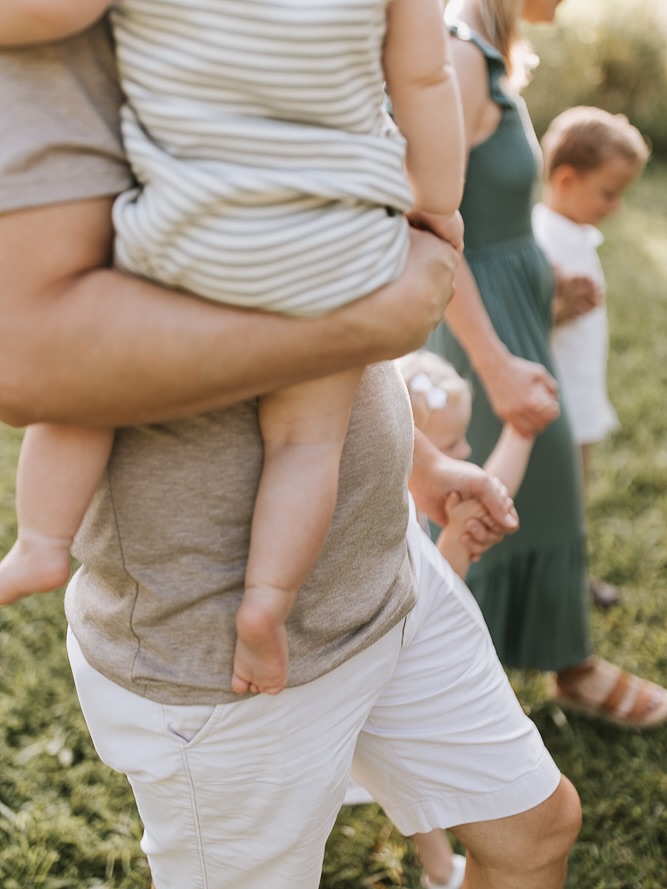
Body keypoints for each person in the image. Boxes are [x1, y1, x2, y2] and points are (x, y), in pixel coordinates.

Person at [0, 16, 584, 889]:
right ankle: (237, 597)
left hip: (384, 570)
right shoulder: (47, 55)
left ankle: (39, 545)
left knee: (535, 830)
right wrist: (381, 290)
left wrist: (416, 460)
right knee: (297, 437)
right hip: (206, 647)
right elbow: (33, 361)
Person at [0, 0, 466, 697]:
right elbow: (426, 80)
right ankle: (266, 601)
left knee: (87, 394)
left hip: (193, 231)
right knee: (306, 445)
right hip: (340, 250)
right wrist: (439, 204)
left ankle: (39, 544)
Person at [427, 0, 667, 728]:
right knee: (500, 495)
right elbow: (429, 222)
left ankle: (566, 662)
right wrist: (493, 362)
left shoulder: (487, 52)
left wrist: (547, 290)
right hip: (480, 326)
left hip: (517, 309)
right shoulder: (459, 51)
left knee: (541, 490)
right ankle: (480, 679)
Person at [534, 105, 650, 608]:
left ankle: (568, 579)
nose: (617, 206)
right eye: (609, 193)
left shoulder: (574, 232)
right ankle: (553, 586)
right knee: (555, 503)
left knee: (573, 501)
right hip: (555, 404)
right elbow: (523, 323)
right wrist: (558, 310)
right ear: (565, 179)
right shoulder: (541, 241)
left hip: (580, 396)